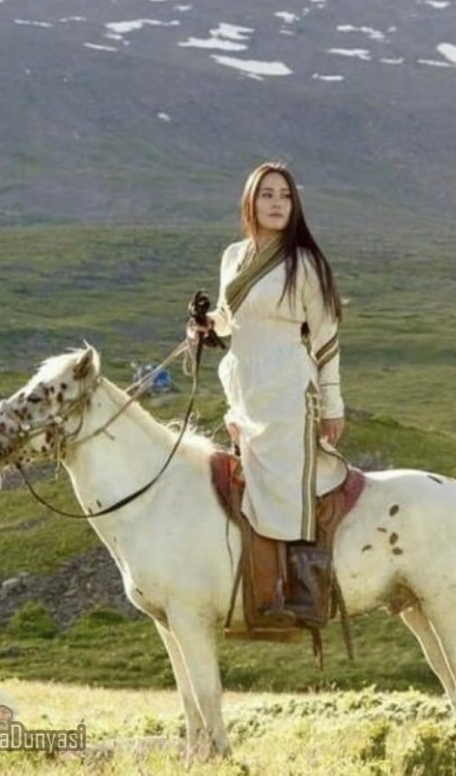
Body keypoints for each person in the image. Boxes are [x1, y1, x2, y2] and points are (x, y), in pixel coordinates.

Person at [191, 160, 348, 627]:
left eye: (285, 196)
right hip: (244, 384)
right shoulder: (233, 257)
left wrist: (332, 404)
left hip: (287, 385)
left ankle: (307, 591)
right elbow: (228, 317)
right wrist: (206, 326)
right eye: (268, 195)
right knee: (247, 485)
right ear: (250, 202)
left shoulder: (306, 263)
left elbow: (326, 337)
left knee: (285, 483)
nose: (277, 203)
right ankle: (248, 585)